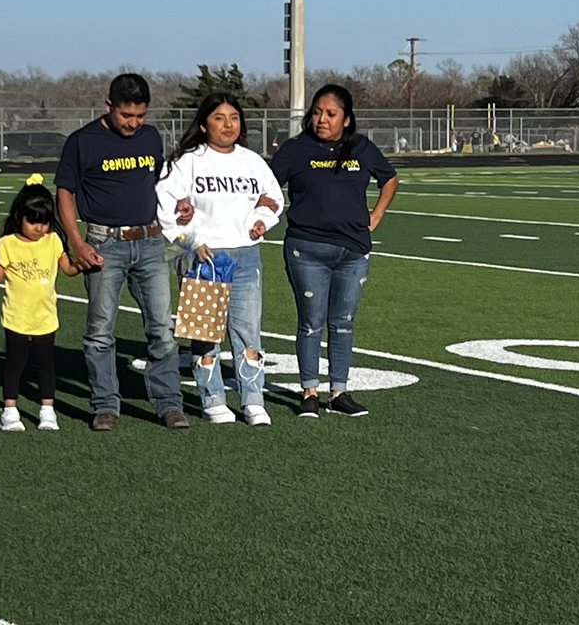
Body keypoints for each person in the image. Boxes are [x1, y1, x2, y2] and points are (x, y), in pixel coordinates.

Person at [55, 73, 188, 430]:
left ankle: (169, 404)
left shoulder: (150, 136)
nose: (134, 124)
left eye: (140, 116)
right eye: (126, 116)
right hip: (104, 243)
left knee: (162, 329)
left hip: (150, 241)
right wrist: (76, 242)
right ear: (108, 106)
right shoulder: (83, 141)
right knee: (101, 331)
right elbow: (65, 192)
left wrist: (180, 206)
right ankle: (105, 406)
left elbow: (159, 184)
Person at [270, 83, 398, 418]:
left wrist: (377, 214)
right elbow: (267, 185)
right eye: (316, 112)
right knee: (311, 322)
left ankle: (339, 391)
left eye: (330, 114)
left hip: (353, 251)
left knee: (343, 322)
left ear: (347, 118)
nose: (321, 120)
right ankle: (309, 391)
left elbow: (390, 178)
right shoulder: (295, 149)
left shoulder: (361, 148)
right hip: (307, 249)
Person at [156, 95, 284, 426]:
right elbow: (166, 208)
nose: (227, 125)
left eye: (234, 118)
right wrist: (191, 243)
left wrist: (261, 221)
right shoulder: (186, 162)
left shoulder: (252, 161)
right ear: (203, 124)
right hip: (205, 257)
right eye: (218, 118)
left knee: (247, 330)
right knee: (205, 332)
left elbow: (272, 199)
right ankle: (212, 398)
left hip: (245, 255)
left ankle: (253, 399)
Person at [0, 174, 80, 431]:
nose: (39, 228)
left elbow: (67, 268)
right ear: (19, 216)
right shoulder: (7, 243)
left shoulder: (52, 240)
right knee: (15, 364)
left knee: (46, 365)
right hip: (16, 316)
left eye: (44, 223)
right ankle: (9, 410)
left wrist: (82, 264)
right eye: (33, 222)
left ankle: (47, 410)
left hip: (45, 316)